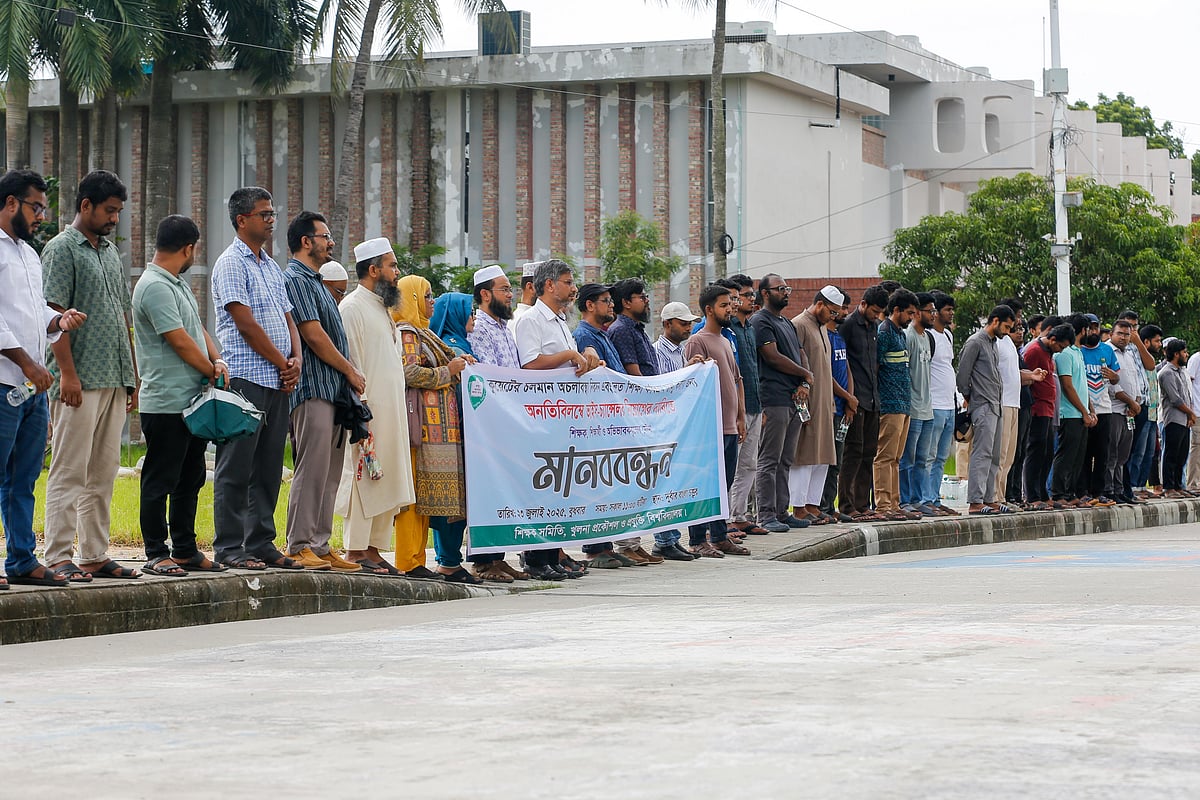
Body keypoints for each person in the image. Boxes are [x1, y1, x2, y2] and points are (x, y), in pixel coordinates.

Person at [42, 170, 140, 581]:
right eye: (109, 210)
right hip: (77, 381)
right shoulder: (61, 250)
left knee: (102, 472)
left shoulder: (107, 254)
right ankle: (58, 554)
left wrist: (131, 376)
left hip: (114, 378)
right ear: (86, 206)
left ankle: (95, 554)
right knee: (69, 470)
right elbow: (50, 315)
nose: (115, 218)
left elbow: (122, 317)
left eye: (118, 211)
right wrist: (68, 375)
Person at [209, 186, 304, 571]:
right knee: (236, 468)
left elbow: (287, 318)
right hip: (246, 379)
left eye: (272, 213)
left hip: (277, 380)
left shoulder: (270, 266)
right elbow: (244, 322)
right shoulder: (231, 263)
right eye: (264, 214)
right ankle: (230, 547)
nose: (271, 220)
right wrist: (283, 360)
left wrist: (295, 358)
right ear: (241, 220)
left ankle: (261, 541)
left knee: (267, 468)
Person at [0, 169, 87, 588]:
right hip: (5, 381)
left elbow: (35, 316)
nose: (40, 216)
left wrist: (59, 320)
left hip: (30, 389)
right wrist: (28, 363)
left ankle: (20, 559)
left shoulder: (29, 255)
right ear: (12, 203)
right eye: (36, 207)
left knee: (24, 478)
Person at [132, 215, 228, 577]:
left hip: (192, 401)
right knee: (160, 480)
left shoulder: (176, 283)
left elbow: (196, 328)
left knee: (191, 478)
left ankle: (186, 549)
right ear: (188, 248)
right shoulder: (154, 285)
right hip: (166, 402)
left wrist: (216, 359)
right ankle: (157, 552)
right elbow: (177, 339)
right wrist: (211, 369)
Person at [282, 211, 365, 572]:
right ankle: (298, 545)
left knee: (330, 473)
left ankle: (319, 543)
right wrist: (349, 370)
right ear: (306, 241)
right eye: (324, 236)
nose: (330, 242)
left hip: (332, 391)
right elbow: (313, 335)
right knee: (311, 469)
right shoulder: (296, 279)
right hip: (313, 387)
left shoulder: (316, 281)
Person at [512, 259, 603, 577]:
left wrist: (587, 356)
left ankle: (552, 555)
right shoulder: (531, 320)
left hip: (566, 418)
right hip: (541, 417)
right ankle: (536, 558)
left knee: (559, 488)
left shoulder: (561, 322)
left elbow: (574, 362)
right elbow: (529, 366)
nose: (572, 287)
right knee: (542, 487)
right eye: (567, 281)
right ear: (548, 285)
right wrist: (567, 355)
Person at [393, 276, 482, 584]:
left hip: (438, 428)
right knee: (413, 499)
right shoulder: (406, 332)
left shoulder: (425, 333)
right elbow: (407, 372)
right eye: (426, 296)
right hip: (422, 428)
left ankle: (418, 559)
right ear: (412, 299)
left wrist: (458, 362)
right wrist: (449, 370)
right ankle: (408, 559)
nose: (432, 301)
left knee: (426, 501)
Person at [336, 238, 416, 575]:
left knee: (386, 479)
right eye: (392, 266)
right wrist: (362, 412)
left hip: (392, 412)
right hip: (366, 413)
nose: (397, 274)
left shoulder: (382, 308)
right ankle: (355, 549)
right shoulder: (352, 307)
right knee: (363, 479)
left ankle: (373, 549)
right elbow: (351, 362)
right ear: (373, 270)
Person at [463, 265, 534, 582]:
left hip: (510, 422)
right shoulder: (479, 329)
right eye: (504, 289)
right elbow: (488, 375)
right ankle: (483, 561)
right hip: (488, 422)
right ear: (485, 294)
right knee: (487, 489)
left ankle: (498, 557)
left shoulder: (505, 328)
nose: (510, 295)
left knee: (505, 491)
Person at [684, 283, 748, 557]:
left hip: (730, 425)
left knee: (725, 482)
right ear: (709, 309)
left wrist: (741, 415)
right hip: (709, 427)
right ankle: (698, 539)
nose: (730, 309)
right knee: (705, 482)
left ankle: (720, 535)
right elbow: (688, 379)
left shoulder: (725, 340)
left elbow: (737, 380)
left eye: (730, 304)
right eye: (724, 305)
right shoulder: (698, 340)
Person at [751, 274, 813, 533]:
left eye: (786, 288)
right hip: (773, 397)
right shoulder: (760, 321)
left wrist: (805, 383)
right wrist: (803, 374)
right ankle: (766, 514)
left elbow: (800, 354)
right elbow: (772, 356)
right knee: (770, 459)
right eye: (780, 289)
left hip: (794, 398)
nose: (785, 292)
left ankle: (781, 511)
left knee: (786, 458)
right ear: (765, 293)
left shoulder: (786, 322)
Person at [648, 301, 704, 561]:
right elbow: (662, 385)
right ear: (667, 323)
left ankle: (672, 538)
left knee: (674, 483)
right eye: (683, 323)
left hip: (677, 425)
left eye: (690, 323)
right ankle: (663, 540)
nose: (688, 328)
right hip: (663, 425)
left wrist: (690, 367)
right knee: (663, 482)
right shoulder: (657, 351)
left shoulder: (679, 352)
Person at [790, 286, 845, 524]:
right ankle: (799, 507)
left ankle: (813, 505)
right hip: (808, 402)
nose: (833, 317)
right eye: (831, 312)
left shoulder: (822, 327)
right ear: (820, 304)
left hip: (825, 402)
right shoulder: (799, 324)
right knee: (805, 456)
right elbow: (796, 364)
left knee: (823, 456)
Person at [956, 304, 1015, 514]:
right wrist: (971, 398)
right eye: (1006, 327)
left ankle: (989, 498)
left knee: (995, 455)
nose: (1007, 332)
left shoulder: (992, 344)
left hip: (996, 404)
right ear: (995, 321)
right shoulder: (975, 342)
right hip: (982, 404)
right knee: (981, 453)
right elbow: (962, 375)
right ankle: (975, 500)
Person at [838, 285, 888, 520]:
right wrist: (849, 397)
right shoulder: (848, 325)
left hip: (873, 398)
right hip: (854, 399)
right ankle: (847, 506)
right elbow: (843, 362)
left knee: (869, 452)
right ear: (864, 304)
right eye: (874, 311)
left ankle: (863, 504)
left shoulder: (875, 327)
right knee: (853, 452)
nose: (877, 316)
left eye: (881, 313)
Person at [724, 275, 766, 535]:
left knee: (749, 464)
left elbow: (752, 370)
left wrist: (760, 407)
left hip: (754, 404)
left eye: (752, 295)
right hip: (734, 410)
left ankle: (740, 514)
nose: (752, 299)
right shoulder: (727, 329)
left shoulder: (749, 328)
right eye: (747, 295)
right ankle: (726, 518)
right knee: (732, 464)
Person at [873, 288, 917, 520]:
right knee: (885, 457)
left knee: (896, 458)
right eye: (909, 313)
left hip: (904, 403)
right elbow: (877, 367)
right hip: (889, 403)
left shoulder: (900, 334)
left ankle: (894, 503)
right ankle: (883, 505)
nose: (911, 318)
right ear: (896, 310)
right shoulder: (884, 332)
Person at [1022, 324, 1073, 508]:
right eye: (1061, 346)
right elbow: (1026, 377)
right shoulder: (1034, 351)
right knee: (1035, 452)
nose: (1061, 351)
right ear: (1052, 340)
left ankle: (1043, 494)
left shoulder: (1050, 354)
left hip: (1049, 409)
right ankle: (1032, 495)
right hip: (1037, 408)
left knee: (1047, 453)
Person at [1050, 314, 1097, 508]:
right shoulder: (1065, 353)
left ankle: (1070, 493)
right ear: (1082, 330)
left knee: (1078, 458)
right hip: (1069, 414)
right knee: (1066, 456)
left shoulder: (1078, 352)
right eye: (1089, 329)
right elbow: (1068, 386)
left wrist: (1090, 410)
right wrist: (1083, 411)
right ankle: (1059, 493)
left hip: (1081, 413)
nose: (1092, 333)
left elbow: (1082, 385)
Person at [899, 292, 936, 516]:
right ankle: (905, 500)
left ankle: (919, 499)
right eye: (929, 310)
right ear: (917, 312)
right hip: (912, 408)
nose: (933, 315)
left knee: (923, 459)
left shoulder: (926, 337)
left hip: (927, 407)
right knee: (907, 459)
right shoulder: (908, 336)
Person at [820, 292, 855, 522]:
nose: (844, 313)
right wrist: (844, 396)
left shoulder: (839, 336)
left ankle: (830, 505)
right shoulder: (825, 336)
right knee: (827, 460)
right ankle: (821, 506)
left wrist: (851, 398)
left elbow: (846, 369)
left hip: (845, 409)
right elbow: (827, 374)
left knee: (838, 462)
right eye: (840, 309)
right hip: (831, 406)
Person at [1078, 318, 1120, 504]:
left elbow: (1116, 378)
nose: (1094, 331)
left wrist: (1114, 376)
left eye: (1096, 327)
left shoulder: (1107, 350)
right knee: (1084, 453)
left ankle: (1099, 492)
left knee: (1103, 453)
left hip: (1104, 407)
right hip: (1083, 409)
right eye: (1090, 328)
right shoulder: (1077, 350)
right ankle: (1083, 491)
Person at [1107, 319, 1149, 504]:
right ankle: (1110, 492)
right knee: (1112, 455)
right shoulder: (1107, 351)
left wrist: (1136, 402)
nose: (1124, 337)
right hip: (1114, 409)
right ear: (1111, 334)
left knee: (1124, 456)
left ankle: (1121, 490)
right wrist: (1131, 402)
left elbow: (1135, 381)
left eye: (1127, 334)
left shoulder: (1130, 354)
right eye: (1120, 334)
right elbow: (1110, 386)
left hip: (1129, 412)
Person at [924, 291, 958, 515]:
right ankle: (925, 499)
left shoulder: (947, 335)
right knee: (928, 455)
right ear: (935, 312)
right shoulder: (928, 336)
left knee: (942, 457)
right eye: (947, 310)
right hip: (934, 404)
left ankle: (935, 499)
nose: (951, 313)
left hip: (949, 404)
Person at [1129, 324, 1164, 497]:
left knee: (1149, 453)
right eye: (1157, 341)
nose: (1160, 344)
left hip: (1153, 414)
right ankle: (1134, 486)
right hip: (1141, 410)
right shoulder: (1136, 358)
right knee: (1138, 452)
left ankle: (1142, 486)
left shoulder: (1150, 360)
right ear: (1146, 342)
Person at [1158, 338, 1194, 498]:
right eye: (1184, 352)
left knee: (1182, 455)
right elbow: (1175, 399)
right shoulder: (1166, 373)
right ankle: (1169, 487)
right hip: (1174, 419)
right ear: (1176, 353)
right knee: (1171, 455)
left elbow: (1187, 396)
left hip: (1185, 419)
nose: (1186, 355)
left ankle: (1179, 486)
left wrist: (1190, 414)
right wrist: (1191, 413)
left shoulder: (1182, 371)